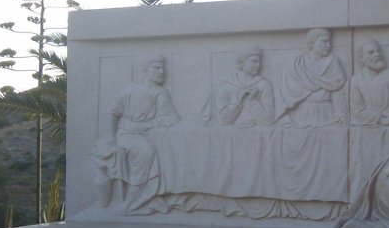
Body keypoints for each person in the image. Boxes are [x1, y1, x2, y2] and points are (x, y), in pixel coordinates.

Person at [93, 56, 180, 214]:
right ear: (146, 70)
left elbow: (170, 118)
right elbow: (113, 113)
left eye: (163, 68)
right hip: (126, 135)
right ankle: (130, 204)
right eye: (157, 67)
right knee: (145, 150)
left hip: (150, 133)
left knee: (168, 150)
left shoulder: (161, 93)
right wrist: (112, 138)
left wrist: (145, 126)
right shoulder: (129, 91)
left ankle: (154, 196)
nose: (162, 72)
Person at [276, 28, 347, 127]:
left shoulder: (333, 61)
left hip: (326, 113)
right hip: (301, 114)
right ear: (312, 43)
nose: (328, 46)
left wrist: (340, 113)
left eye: (329, 42)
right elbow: (284, 91)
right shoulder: (297, 64)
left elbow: (338, 88)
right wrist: (285, 117)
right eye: (324, 41)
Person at [201, 46, 274, 126]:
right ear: (242, 63)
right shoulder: (227, 86)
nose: (258, 65)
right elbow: (223, 120)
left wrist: (253, 100)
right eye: (254, 61)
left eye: (259, 62)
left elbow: (268, 119)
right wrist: (238, 100)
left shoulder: (264, 85)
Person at [350, 40, 389, 126]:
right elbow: (357, 110)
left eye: (378, 51)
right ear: (362, 58)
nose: (377, 54)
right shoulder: (356, 81)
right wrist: (380, 119)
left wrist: (384, 116)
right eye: (371, 52)